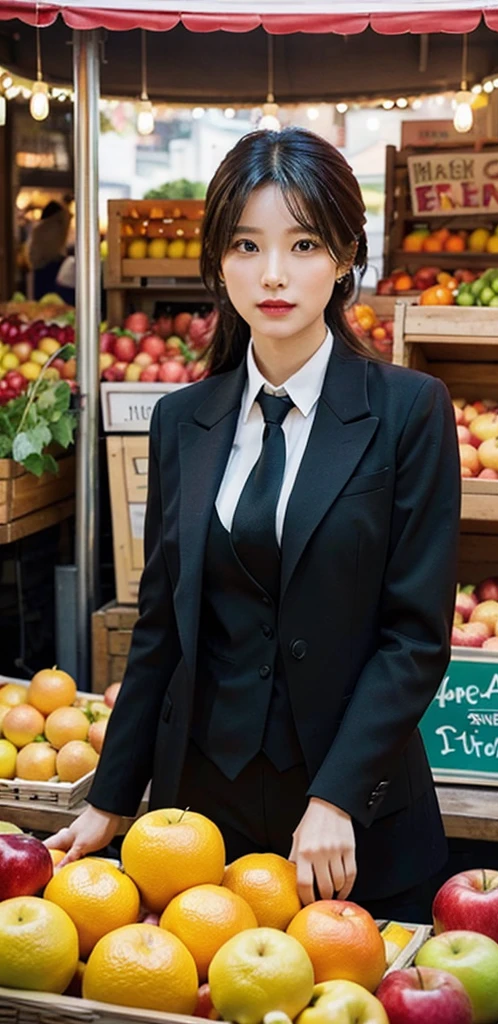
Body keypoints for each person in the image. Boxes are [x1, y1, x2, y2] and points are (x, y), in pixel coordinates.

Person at [47, 128, 460, 922]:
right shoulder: (181, 422)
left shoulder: (409, 411)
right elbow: (162, 626)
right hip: (199, 826)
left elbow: (415, 637)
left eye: (303, 243)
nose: (273, 274)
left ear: (344, 257)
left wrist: (338, 796)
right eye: (246, 245)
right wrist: (110, 796)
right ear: (218, 261)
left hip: (353, 830)